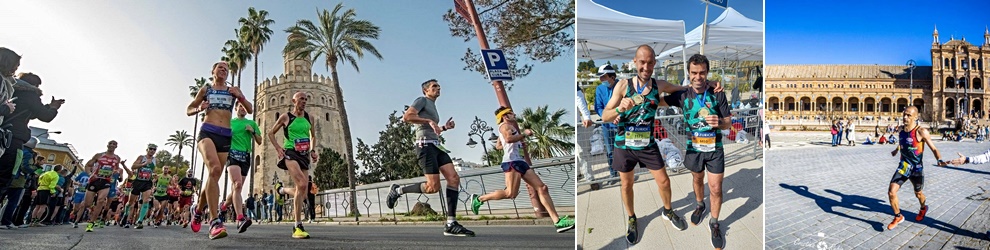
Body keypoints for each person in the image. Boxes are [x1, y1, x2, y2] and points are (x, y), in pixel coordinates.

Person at [600, 46, 717, 244]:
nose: (646, 66)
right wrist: (619, 108)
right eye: (642, 62)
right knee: (627, 184)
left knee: (664, 181)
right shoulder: (622, 85)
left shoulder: (659, 85)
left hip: (647, 144)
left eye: (650, 62)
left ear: (654, 63)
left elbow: (684, 88)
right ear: (635, 62)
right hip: (624, 145)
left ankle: (668, 211)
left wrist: (710, 84)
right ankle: (631, 218)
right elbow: (605, 116)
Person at [385, 79, 475, 237]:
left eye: (439, 86)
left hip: (436, 146)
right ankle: (398, 190)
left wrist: (444, 127)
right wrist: (429, 120)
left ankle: (451, 223)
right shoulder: (422, 100)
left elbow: (432, 129)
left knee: (453, 179)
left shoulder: (433, 105)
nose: (438, 88)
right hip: (424, 147)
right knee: (433, 187)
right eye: (434, 86)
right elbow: (407, 117)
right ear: (425, 90)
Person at [660, 54, 732, 248]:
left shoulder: (717, 93)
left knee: (716, 188)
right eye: (694, 73)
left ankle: (715, 222)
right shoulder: (682, 95)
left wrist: (720, 123)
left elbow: (728, 123)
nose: (698, 77)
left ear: (707, 73)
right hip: (694, 149)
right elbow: (656, 100)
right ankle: (700, 205)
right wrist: (673, 87)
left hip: (715, 148)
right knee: (697, 179)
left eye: (702, 73)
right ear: (688, 73)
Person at [470, 107, 576, 233]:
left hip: (520, 161)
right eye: (511, 113)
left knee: (542, 188)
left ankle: (557, 222)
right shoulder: (505, 126)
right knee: (510, 193)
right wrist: (524, 134)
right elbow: (508, 139)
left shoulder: (507, 127)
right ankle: (479, 199)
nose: (514, 114)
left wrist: (518, 143)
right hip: (512, 162)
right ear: (505, 116)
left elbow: (499, 145)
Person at [187, 61, 252, 239]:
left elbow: (250, 109)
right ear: (213, 71)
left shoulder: (232, 91)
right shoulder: (206, 89)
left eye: (226, 69)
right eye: (220, 68)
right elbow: (189, 108)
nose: (223, 70)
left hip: (225, 136)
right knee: (215, 169)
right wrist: (199, 108)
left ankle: (198, 210)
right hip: (208, 131)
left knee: (213, 176)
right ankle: (214, 222)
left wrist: (241, 96)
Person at [267, 91, 316, 239]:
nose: (304, 101)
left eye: (306, 99)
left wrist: (313, 150)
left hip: (304, 155)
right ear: (293, 101)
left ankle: (282, 190)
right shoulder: (286, 117)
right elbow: (270, 133)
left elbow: (312, 135)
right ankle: (297, 225)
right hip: (290, 152)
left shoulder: (309, 118)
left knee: (303, 190)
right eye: (301, 99)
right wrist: (278, 148)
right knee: (302, 184)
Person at [886, 106, 944, 230]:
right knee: (891, 192)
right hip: (904, 166)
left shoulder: (921, 132)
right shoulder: (900, 129)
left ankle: (923, 208)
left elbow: (934, 148)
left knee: (918, 193)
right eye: (904, 115)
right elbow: (903, 143)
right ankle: (898, 216)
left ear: (915, 117)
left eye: (909, 115)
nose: (905, 117)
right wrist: (896, 150)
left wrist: (939, 159)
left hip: (916, 168)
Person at [220, 102, 261, 233]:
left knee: (237, 189)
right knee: (237, 185)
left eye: (245, 107)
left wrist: (253, 131)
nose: (243, 109)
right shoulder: (230, 122)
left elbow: (259, 140)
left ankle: (224, 206)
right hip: (232, 155)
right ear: (236, 108)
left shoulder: (252, 123)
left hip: (245, 157)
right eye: (241, 107)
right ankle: (240, 218)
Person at [74, 141, 122, 232]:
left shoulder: (117, 158)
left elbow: (116, 168)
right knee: (87, 204)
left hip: (106, 181)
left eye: (114, 144)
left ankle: (91, 223)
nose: (112, 145)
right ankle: (86, 212)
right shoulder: (99, 155)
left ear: (116, 147)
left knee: (100, 201)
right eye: (110, 144)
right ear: (107, 145)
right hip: (94, 180)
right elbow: (88, 165)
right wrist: (90, 174)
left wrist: (116, 171)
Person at [594, 64, 620, 182]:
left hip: (621, 124)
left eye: (603, 77)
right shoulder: (599, 89)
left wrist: (620, 116)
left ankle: (625, 172)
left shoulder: (622, 86)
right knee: (610, 151)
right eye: (600, 77)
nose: (601, 80)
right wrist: (606, 116)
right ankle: (613, 173)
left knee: (624, 150)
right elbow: (598, 107)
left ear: (612, 77)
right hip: (607, 126)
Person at [124, 144, 158, 229]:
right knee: (130, 202)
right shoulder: (141, 157)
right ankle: (125, 214)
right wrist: (144, 164)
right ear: (147, 149)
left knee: (146, 201)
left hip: (147, 182)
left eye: (154, 149)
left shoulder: (155, 160)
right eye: (151, 149)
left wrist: (153, 176)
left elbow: (151, 170)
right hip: (138, 181)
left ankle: (139, 221)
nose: (152, 151)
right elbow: (133, 166)